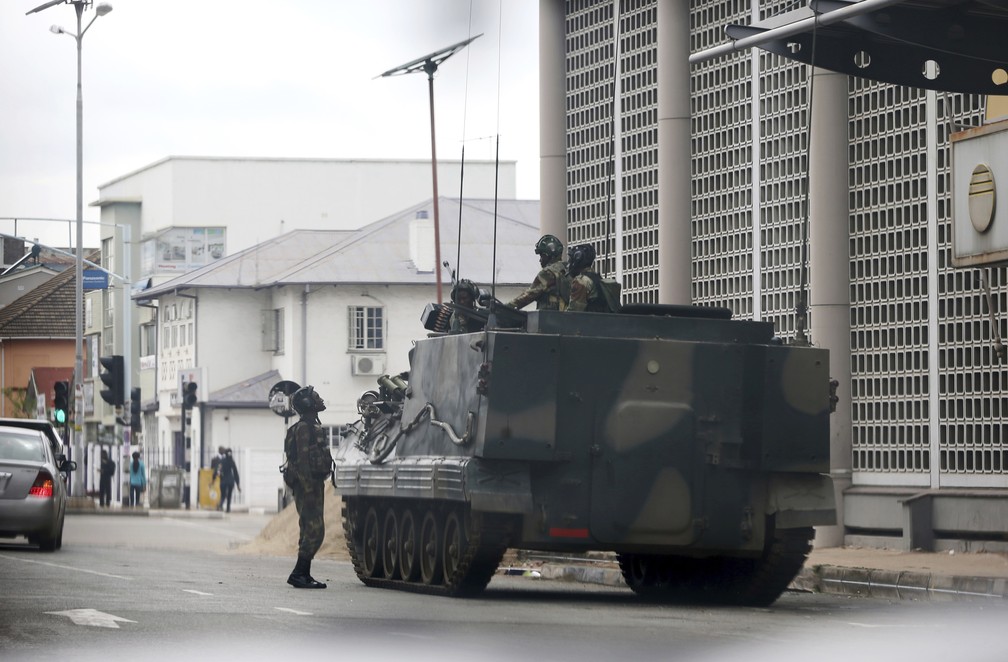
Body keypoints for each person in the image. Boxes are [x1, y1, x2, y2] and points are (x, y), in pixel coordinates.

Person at [282, 385, 331, 589]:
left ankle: (304, 573)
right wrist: (308, 488)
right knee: (315, 530)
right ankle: (299, 573)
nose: (320, 399)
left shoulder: (312, 426)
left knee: (311, 529)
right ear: (308, 404)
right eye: (316, 397)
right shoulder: (304, 428)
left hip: (313, 483)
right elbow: (302, 461)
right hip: (307, 485)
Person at [506, 234, 571, 311]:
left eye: (542, 256)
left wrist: (505, 307)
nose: (540, 260)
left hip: (549, 319)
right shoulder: (568, 269)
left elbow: (529, 295)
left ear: (548, 255)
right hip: (568, 319)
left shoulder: (548, 273)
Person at [567, 243, 621, 313]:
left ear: (577, 259)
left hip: (588, 323)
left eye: (571, 259)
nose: (569, 262)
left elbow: (573, 313)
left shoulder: (581, 281)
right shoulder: (598, 280)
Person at [215, 448, 241, 513]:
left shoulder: (222, 461)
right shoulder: (232, 461)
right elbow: (235, 473)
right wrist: (238, 484)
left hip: (223, 481)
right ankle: (228, 508)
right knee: (229, 495)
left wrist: (217, 476)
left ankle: (220, 505)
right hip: (231, 481)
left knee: (223, 495)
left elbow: (218, 470)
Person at [210, 445, 226, 510]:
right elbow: (212, 469)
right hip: (216, 479)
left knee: (224, 493)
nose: (224, 451)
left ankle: (220, 505)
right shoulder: (214, 459)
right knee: (216, 493)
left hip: (223, 479)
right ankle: (218, 505)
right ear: (219, 451)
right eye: (223, 450)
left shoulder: (225, 459)